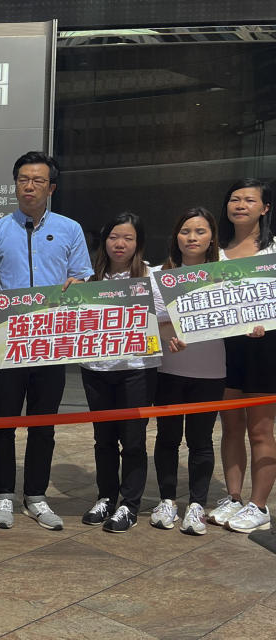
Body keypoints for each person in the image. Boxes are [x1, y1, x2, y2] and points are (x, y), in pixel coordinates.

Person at [0, 151, 93, 530]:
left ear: (52, 188)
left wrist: (77, 284)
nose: (29, 187)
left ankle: (36, 496)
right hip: (7, 341)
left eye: (38, 181)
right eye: (23, 180)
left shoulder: (69, 229)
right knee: (3, 421)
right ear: (15, 184)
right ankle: (2, 494)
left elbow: (82, 276)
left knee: (43, 423)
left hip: (51, 341)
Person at [79, 213, 159, 533]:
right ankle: (106, 497)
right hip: (96, 369)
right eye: (114, 236)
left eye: (127, 237)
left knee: (134, 440)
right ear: (105, 240)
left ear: (138, 242)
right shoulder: (88, 279)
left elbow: (166, 321)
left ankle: (129, 504)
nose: (120, 243)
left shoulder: (151, 277)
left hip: (137, 370)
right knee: (104, 440)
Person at [150, 207, 225, 535]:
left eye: (200, 231)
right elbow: (148, 322)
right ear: (175, 237)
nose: (192, 238)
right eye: (185, 231)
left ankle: (197, 504)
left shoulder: (226, 274)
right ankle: (167, 500)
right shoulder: (157, 275)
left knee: (201, 440)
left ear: (211, 238)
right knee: (167, 438)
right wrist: (168, 332)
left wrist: (254, 326)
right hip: (167, 370)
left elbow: (241, 314)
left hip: (210, 371)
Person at [210, 179, 275, 533]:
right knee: (230, 426)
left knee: (261, 429)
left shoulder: (273, 251)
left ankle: (259, 505)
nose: (240, 205)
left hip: (265, 348)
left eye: (250, 200)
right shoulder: (214, 252)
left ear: (265, 208)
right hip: (223, 347)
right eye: (234, 199)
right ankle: (234, 497)